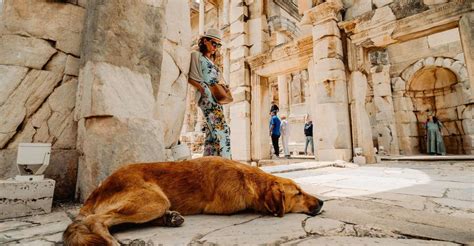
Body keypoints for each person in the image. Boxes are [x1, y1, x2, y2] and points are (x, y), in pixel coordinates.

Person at [188, 28, 231, 159]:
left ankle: (209, 162)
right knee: (222, 130)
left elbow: (214, 79)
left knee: (212, 134)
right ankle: (226, 164)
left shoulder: (211, 61)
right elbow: (190, 77)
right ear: (205, 41)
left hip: (216, 98)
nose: (215, 48)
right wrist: (203, 90)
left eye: (218, 45)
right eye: (214, 43)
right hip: (207, 97)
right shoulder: (196, 55)